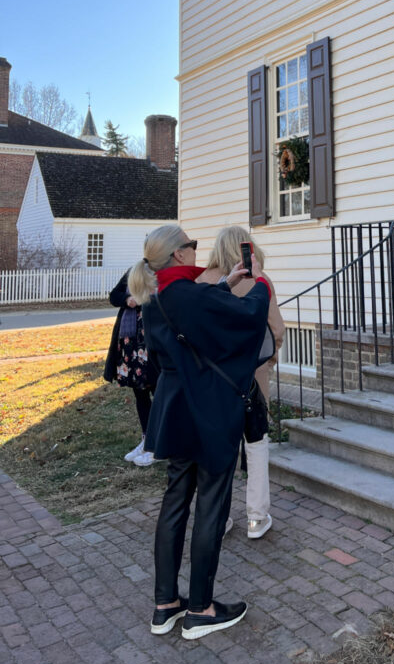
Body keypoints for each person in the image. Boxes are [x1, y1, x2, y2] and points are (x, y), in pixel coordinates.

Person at [128, 224, 271, 641]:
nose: (195, 250)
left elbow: (198, 316)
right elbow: (245, 317)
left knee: (175, 501)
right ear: (177, 255)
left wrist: (228, 283)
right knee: (211, 502)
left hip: (173, 407)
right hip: (207, 408)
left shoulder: (157, 296)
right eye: (190, 246)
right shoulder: (185, 294)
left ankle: (165, 604)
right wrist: (257, 279)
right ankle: (202, 608)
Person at [197, 226, 285, 540]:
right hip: (252, 375)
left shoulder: (203, 283)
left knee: (220, 447)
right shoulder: (259, 282)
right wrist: (267, 363)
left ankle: (217, 519)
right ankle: (257, 518)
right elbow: (276, 330)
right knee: (256, 443)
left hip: (213, 379)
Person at [103, 273, 159, 466]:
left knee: (158, 394)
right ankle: (146, 441)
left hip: (152, 346)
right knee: (140, 394)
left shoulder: (164, 274)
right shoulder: (135, 271)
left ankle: (157, 445)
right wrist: (128, 299)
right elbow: (114, 296)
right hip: (131, 345)